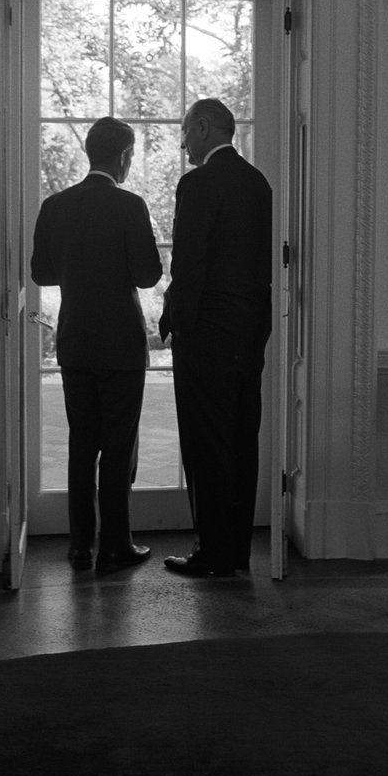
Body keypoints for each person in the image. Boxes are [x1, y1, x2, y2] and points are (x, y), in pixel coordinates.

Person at [31, 117, 162, 573]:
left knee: (82, 442)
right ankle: (116, 544)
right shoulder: (130, 207)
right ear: (124, 156)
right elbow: (148, 275)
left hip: (75, 340)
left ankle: (79, 545)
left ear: (90, 152)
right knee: (119, 445)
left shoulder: (54, 206)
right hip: (121, 344)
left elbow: (42, 274)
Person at [159, 98, 272, 577]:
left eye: (185, 131)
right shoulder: (258, 183)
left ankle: (211, 554)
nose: (183, 142)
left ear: (204, 128)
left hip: (206, 333)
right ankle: (237, 552)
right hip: (251, 331)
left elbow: (189, 264)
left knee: (206, 445)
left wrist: (173, 321)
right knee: (242, 441)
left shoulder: (199, 183)